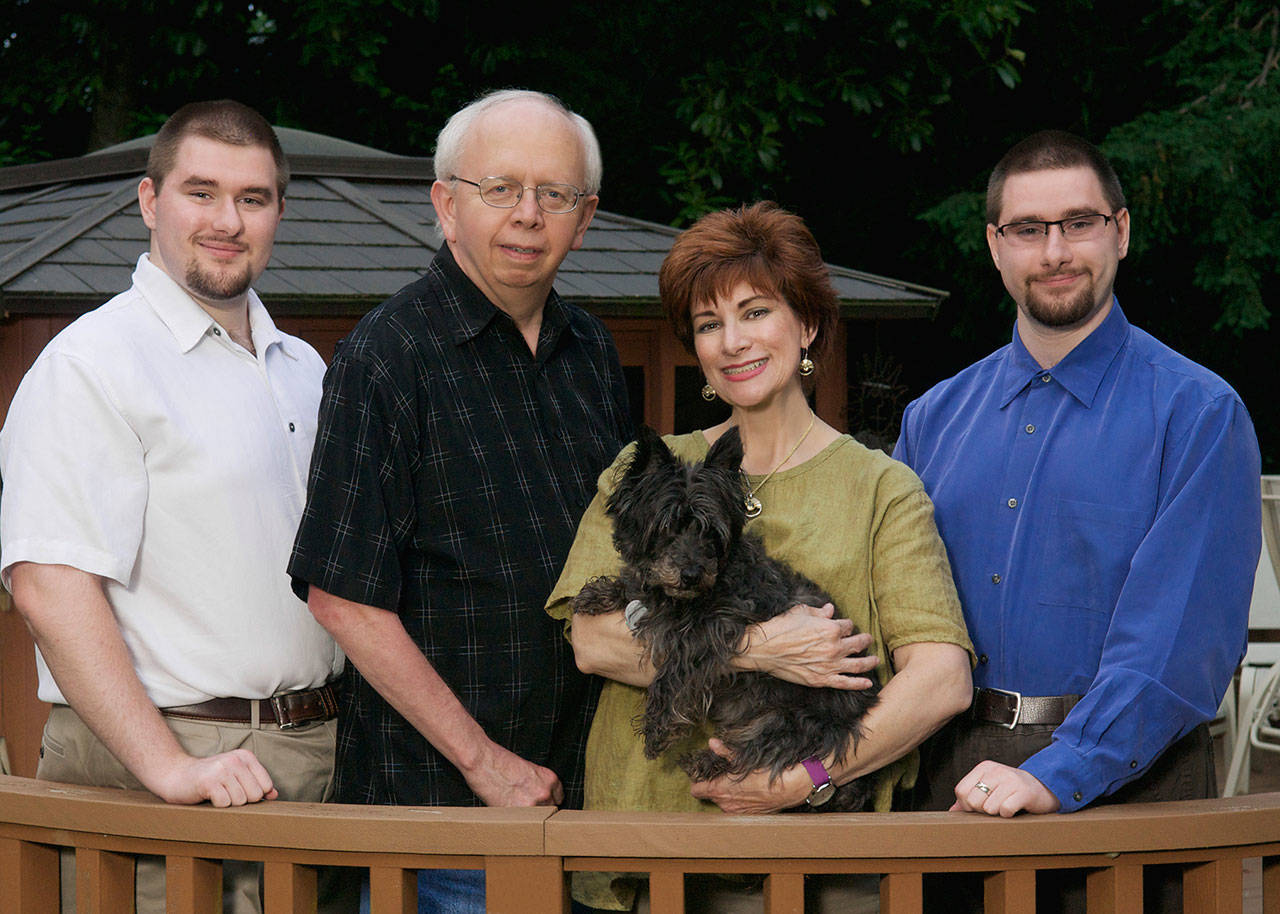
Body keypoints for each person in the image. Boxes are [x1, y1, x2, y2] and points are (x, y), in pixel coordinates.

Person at [546, 201, 974, 912]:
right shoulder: (650, 469)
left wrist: (800, 777)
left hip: (814, 861)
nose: (732, 341)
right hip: (651, 847)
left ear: (806, 324)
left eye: (755, 312)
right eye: (709, 324)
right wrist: (758, 647)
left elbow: (941, 681)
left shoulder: (880, 488)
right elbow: (594, 640)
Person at [894, 130, 1261, 911]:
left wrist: (1056, 773)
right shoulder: (933, 420)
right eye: (1028, 229)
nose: (1054, 250)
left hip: (1135, 784)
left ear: (1121, 232)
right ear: (996, 246)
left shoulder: (1196, 413)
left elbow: (1178, 644)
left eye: (1078, 223)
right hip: (951, 783)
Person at [287, 88, 631, 913]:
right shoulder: (388, 357)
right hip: (437, 828)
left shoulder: (592, 353)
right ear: (446, 204)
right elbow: (343, 596)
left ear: (585, 220)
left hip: (586, 815)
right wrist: (483, 762)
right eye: (500, 188)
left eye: (555, 195)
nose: (527, 216)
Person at [0, 100, 344, 914]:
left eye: (253, 199)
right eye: (201, 192)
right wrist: (168, 766)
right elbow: (48, 585)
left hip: (316, 766)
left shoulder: (306, 370)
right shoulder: (92, 364)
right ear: (150, 202)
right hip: (157, 771)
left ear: (278, 215)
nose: (227, 220)